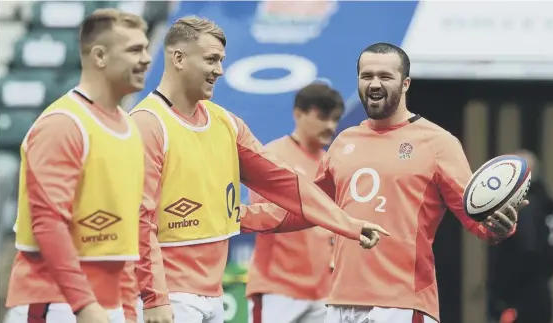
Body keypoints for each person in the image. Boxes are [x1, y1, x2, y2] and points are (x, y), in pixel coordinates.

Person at [128, 16, 387, 323]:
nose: (219, 70)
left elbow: (284, 182)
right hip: (170, 297)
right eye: (211, 60)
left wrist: (346, 223)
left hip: (213, 295)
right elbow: (138, 222)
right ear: (178, 58)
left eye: (221, 61)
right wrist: (155, 298)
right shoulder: (148, 123)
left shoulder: (225, 122)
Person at [245, 42, 528, 323]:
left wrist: (500, 227)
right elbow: (309, 206)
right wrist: (238, 217)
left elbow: (475, 216)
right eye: (366, 76)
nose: (374, 84)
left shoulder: (438, 143)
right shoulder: (345, 141)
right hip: (340, 303)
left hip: (401, 304)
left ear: (405, 84)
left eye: (385, 76)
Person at [4, 9, 151, 323]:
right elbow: (47, 223)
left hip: (103, 306)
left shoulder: (127, 128)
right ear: (99, 55)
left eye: (146, 48)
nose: (147, 59)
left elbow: (122, 236)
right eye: (135, 50)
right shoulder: (63, 124)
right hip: (56, 304)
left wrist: (126, 308)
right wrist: (84, 305)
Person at [246, 83, 344, 323]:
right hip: (277, 289)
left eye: (335, 119)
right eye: (322, 117)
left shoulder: (334, 165)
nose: (330, 126)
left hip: (324, 292)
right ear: (298, 114)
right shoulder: (273, 156)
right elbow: (263, 216)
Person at [487, 150, 553, 323]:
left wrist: (502, 294)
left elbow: (526, 253)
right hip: (540, 295)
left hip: (519, 301)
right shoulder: (545, 207)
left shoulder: (525, 208)